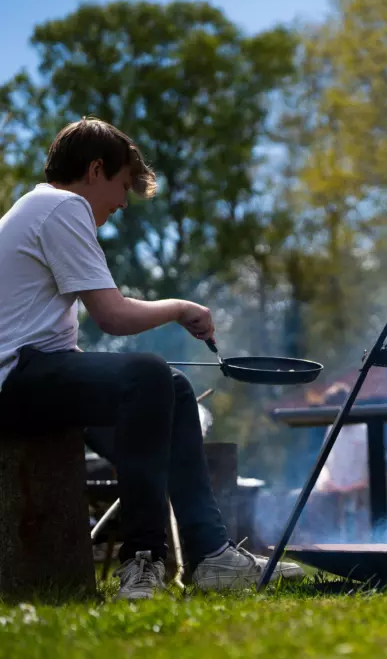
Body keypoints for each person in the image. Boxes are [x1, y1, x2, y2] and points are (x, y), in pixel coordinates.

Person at [0, 117, 302, 600]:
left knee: (174, 388)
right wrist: (180, 309)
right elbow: (113, 316)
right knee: (147, 373)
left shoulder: (38, 207)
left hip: (33, 376)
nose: (123, 202)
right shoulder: (61, 206)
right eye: (122, 185)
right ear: (95, 170)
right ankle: (142, 558)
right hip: (14, 381)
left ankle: (211, 555)